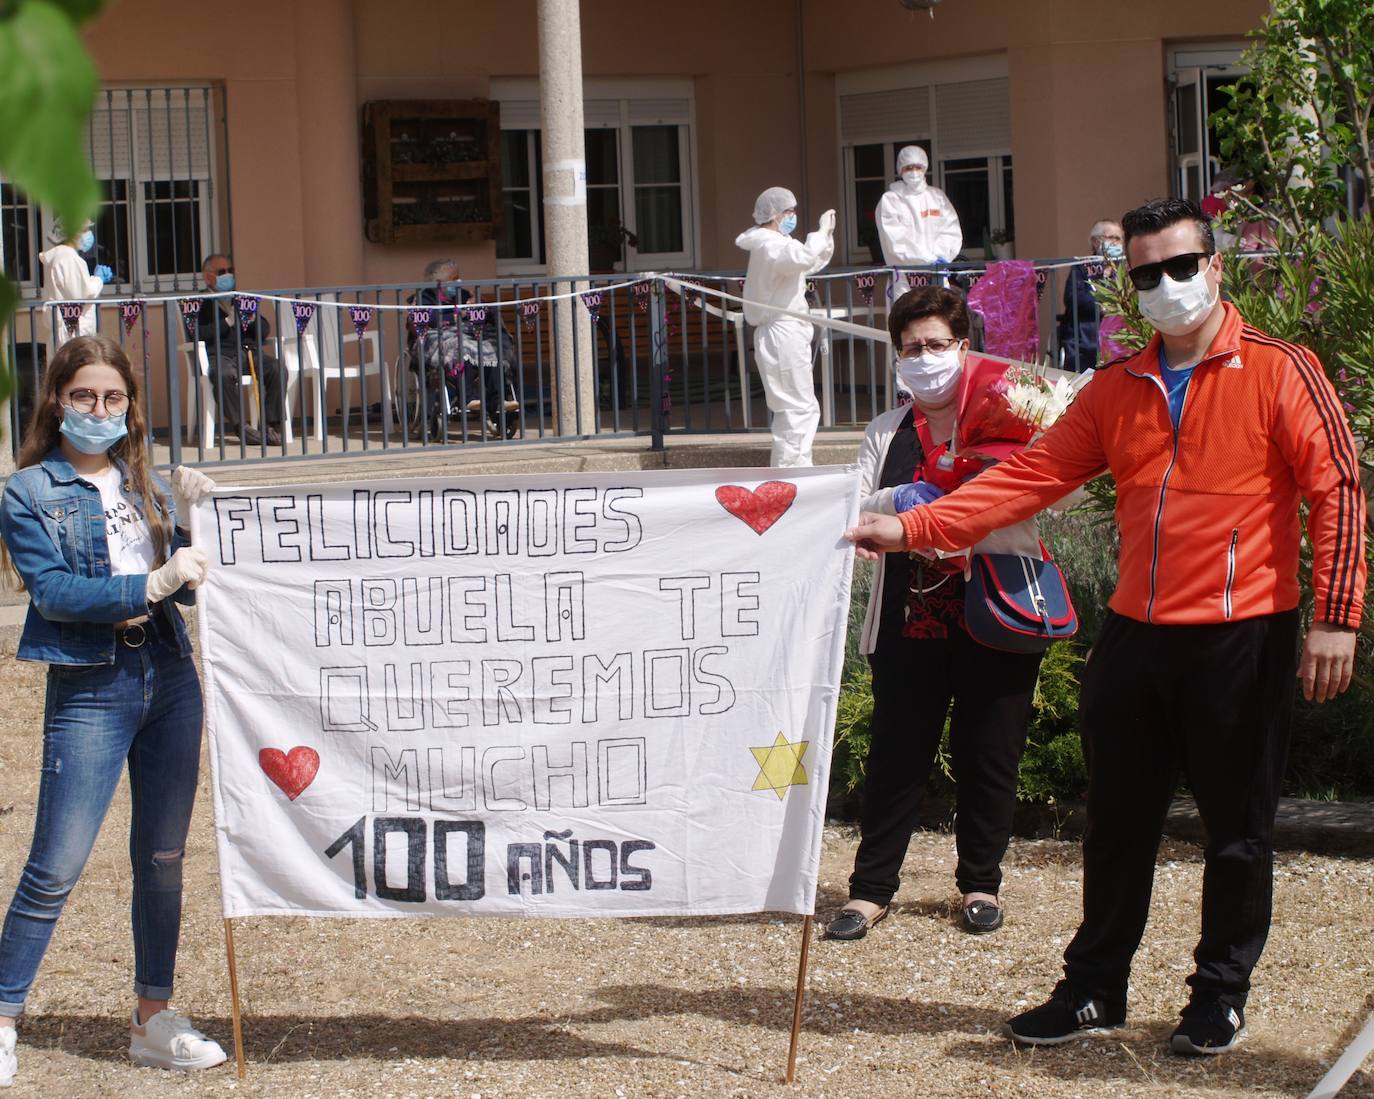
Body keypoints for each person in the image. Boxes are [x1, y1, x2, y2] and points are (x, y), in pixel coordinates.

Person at [845, 197, 1366, 1056]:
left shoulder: (1282, 368)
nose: (1165, 285)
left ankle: (1218, 995)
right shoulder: (1116, 388)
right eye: (1146, 273)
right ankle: (1094, 990)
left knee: (1237, 832)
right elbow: (1030, 478)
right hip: (1135, 632)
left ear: (1216, 266)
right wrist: (909, 527)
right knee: (1116, 822)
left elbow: (1336, 489)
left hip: (1243, 633)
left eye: (1180, 266)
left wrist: (1336, 618)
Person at [0, 334, 228, 1086]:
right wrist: (155, 582)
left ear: (130, 407)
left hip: (168, 672)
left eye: (114, 399)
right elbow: (58, 594)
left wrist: (193, 521)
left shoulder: (142, 483)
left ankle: (151, 1017)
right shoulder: (26, 491)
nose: (100, 411)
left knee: (162, 860)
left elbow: (188, 586)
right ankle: (2, 1016)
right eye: (84, 397)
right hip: (92, 683)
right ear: (58, 400)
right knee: (56, 863)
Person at [826, 286, 1050, 944]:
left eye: (937, 345)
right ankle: (870, 891)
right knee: (896, 758)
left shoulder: (1012, 414)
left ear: (965, 347)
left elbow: (1049, 497)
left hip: (997, 609)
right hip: (909, 619)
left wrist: (960, 504)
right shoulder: (885, 430)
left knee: (991, 754)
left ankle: (981, 883)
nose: (924, 358)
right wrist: (910, 496)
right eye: (911, 348)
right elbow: (861, 509)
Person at [735, 187, 835, 467]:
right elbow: (802, 257)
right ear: (776, 215)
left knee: (799, 407)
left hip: (785, 331)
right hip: (781, 333)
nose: (793, 216)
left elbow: (808, 262)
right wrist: (819, 232)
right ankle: (792, 476)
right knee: (796, 409)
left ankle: (796, 472)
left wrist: (825, 237)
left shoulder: (778, 243)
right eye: (790, 212)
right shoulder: (771, 245)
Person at [414, 258, 519, 437]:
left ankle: (497, 400)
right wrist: (454, 317)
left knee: (492, 347)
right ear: (439, 282)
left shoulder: (464, 294)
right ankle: (469, 398)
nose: (458, 282)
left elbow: (486, 315)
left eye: (458, 277)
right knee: (460, 347)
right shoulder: (424, 298)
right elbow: (425, 320)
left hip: (469, 333)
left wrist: (478, 306)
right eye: (454, 278)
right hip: (441, 335)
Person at [192, 254, 286, 446]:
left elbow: (264, 331)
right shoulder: (199, 302)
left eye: (230, 271)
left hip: (247, 352)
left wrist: (251, 320)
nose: (228, 276)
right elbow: (199, 333)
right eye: (222, 272)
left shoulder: (240, 299)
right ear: (208, 277)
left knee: (277, 368)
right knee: (223, 374)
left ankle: (271, 426)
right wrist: (227, 322)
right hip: (219, 355)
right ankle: (241, 427)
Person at [876, 146, 963, 267]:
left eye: (918, 167)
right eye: (908, 168)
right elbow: (895, 240)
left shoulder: (937, 197)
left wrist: (940, 256)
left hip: (937, 270)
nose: (914, 172)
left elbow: (950, 230)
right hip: (905, 276)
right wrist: (927, 260)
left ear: (924, 168)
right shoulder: (890, 200)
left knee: (937, 287)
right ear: (900, 170)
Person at [38, 219, 112, 361]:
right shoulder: (68, 258)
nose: (88, 234)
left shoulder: (61, 257)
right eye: (84, 230)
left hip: (67, 330)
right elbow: (83, 294)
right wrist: (98, 279)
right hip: (72, 332)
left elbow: (73, 287)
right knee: (75, 377)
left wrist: (93, 279)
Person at [1057, 219, 1123, 372]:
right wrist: (1104, 304)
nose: (1114, 242)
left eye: (1117, 238)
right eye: (1109, 237)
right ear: (1095, 242)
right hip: (1085, 339)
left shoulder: (1124, 268)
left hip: (1118, 340)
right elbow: (1073, 299)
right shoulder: (1082, 268)